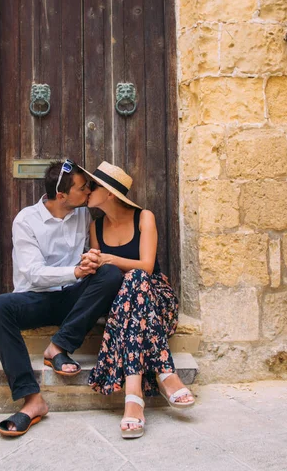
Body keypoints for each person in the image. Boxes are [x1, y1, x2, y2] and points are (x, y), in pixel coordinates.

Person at [0, 160, 124, 437]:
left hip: (72, 300)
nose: (88, 192)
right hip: (34, 300)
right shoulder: (26, 220)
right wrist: (75, 271)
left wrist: (91, 260)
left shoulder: (84, 216)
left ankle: (58, 347)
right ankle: (32, 399)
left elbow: (91, 255)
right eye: (83, 188)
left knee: (110, 275)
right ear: (62, 195)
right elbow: (34, 274)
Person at [78, 161, 195, 440]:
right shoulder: (96, 226)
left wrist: (109, 258)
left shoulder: (144, 218)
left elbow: (147, 265)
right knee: (131, 283)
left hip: (156, 299)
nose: (87, 191)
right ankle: (166, 374)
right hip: (122, 304)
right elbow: (103, 273)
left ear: (109, 193)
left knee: (136, 278)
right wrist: (93, 261)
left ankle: (133, 396)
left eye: (93, 186)